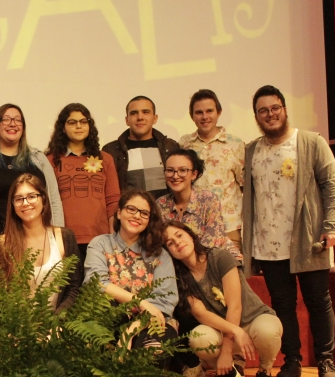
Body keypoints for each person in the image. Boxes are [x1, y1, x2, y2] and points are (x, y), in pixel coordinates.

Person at [242, 85, 335, 377]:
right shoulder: (251, 150)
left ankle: (326, 360)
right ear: (256, 116)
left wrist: (332, 226)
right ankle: (292, 361)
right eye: (263, 110)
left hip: (308, 240)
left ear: (284, 109)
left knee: (318, 301)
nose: (270, 114)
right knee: (282, 306)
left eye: (275, 108)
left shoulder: (311, 142)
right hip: (268, 244)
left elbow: (331, 184)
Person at [164, 221, 282, 377]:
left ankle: (264, 371)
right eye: (170, 243)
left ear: (191, 235)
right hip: (223, 328)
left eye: (179, 235)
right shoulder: (179, 277)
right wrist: (235, 331)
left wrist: (227, 349)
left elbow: (235, 306)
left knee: (268, 331)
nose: (178, 243)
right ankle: (227, 372)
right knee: (198, 338)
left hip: (252, 319)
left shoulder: (220, 257)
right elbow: (201, 314)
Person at [84, 190, 178, 350]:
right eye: (131, 209)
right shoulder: (100, 244)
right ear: (119, 213)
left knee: (152, 349)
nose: (137, 216)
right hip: (108, 319)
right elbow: (96, 283)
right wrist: (140, 302)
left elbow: (163, 302)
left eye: (144, 213)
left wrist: (130, 331)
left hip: (147, 322)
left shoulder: (160, 255)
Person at [0, 174, 81, 312]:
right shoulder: (3, 244)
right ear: (12, 205)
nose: (25, 203)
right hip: (18, 323)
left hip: (58, 323)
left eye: (32, 196)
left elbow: (74, 288)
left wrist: (57, 321)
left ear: (43, 199)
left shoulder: (64, 237)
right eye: (18, 199)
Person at [45, 103, 120, 263]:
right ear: (63, 128)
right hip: (64, 239)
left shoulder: (105, 159)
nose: (78, 126)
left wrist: (114, 238)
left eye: (83, 121)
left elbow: (113, 200)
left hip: (100, 239)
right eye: (72, 122)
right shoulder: (50, 161)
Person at [179, 89, 245, 251]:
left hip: (229, 227)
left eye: (209, 111)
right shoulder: (184, 144)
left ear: (219, 112)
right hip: (195, 227)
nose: (205, 116)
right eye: (199, 112)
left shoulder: (235, 144)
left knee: (234, 268)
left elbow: (245, 185)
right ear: (192, 116)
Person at [0, 103, 64, 236]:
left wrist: (58, 234)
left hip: (39, 237)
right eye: (6, 119)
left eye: (18, 120)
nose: (13, 124)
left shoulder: (38, 158)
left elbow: (54, 199)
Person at [156, 149, 242, 263]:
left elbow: (213, 241)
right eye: (170, 170)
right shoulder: (160, 204)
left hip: (219, 260)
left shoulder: (208, 199)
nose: (175, 176)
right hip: (183, 265)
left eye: (183, 170)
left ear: (194, 174)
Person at [102, 95, 179, 200]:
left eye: (145, 112)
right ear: (127, 120)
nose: (140, 117)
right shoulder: (111, 150)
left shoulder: (171, 147)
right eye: (134, 113)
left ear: (155, 118)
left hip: (166, 210)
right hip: (129, 210)